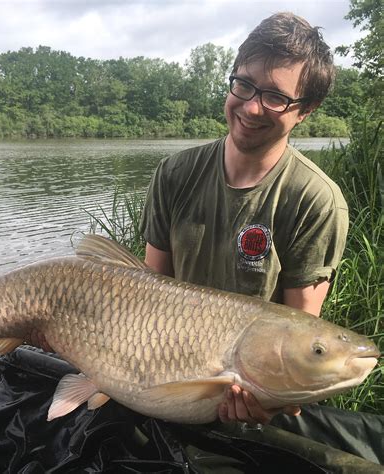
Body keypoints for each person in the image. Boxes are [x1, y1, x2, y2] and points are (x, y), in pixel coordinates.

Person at [139, 12, 349, 426]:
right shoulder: (175, 173)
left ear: (306, 109)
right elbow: (145, 294)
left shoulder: (315, 200)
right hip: (159, 369)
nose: (251, 107)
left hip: (241, 381)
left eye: (275, 96)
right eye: (245, 84)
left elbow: (302, 342)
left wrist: (271, 403)